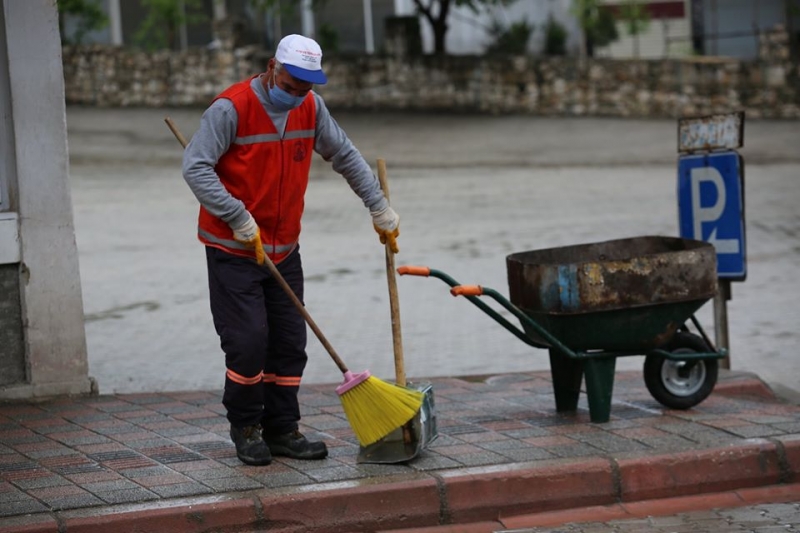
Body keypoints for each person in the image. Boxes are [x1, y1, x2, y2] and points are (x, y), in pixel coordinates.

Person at [182, 34, 399, 466]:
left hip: (284, 248)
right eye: (292, 84)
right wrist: (237, 216)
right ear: (271, 68)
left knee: (288, 343)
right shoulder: (231, 108)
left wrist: (378, 207)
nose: (298, 95)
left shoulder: (310, 108)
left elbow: (346, 155)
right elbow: (196, 167)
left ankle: (282, 430)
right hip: (234, 249)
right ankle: (246, 428)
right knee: (247, 342)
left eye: (307, 87)